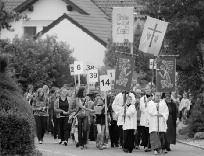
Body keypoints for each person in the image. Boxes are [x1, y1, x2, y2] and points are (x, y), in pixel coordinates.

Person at [140, 86, 152, 152]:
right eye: (146, 89)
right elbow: (142, 108)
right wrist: (147, 101)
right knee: (145, 133)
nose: (147, 90)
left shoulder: (153, 97)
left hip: (151, 118)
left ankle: (150, 146)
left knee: (150, 132)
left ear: (151, 90)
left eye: (148, 89)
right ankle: (145, 146)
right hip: (144, 118)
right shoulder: (142, 99)